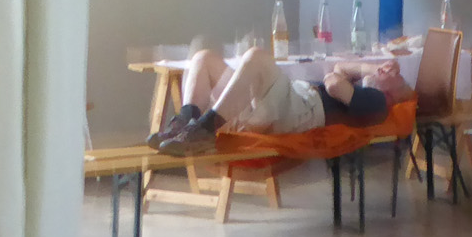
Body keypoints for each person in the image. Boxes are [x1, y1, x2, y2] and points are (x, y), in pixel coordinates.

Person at [149, 45, 408, 155]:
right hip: (280, 104)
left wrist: (367, 76)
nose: (388, 71)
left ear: (393, 92)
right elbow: (341, 67)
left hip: (299, 110)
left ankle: (204, 129)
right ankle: (186, 122)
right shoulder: (365, 88)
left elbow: (333, 83)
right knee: (203, 57)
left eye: (394, 75)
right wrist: (372, 68)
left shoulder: (377, 101)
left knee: (257, 56)